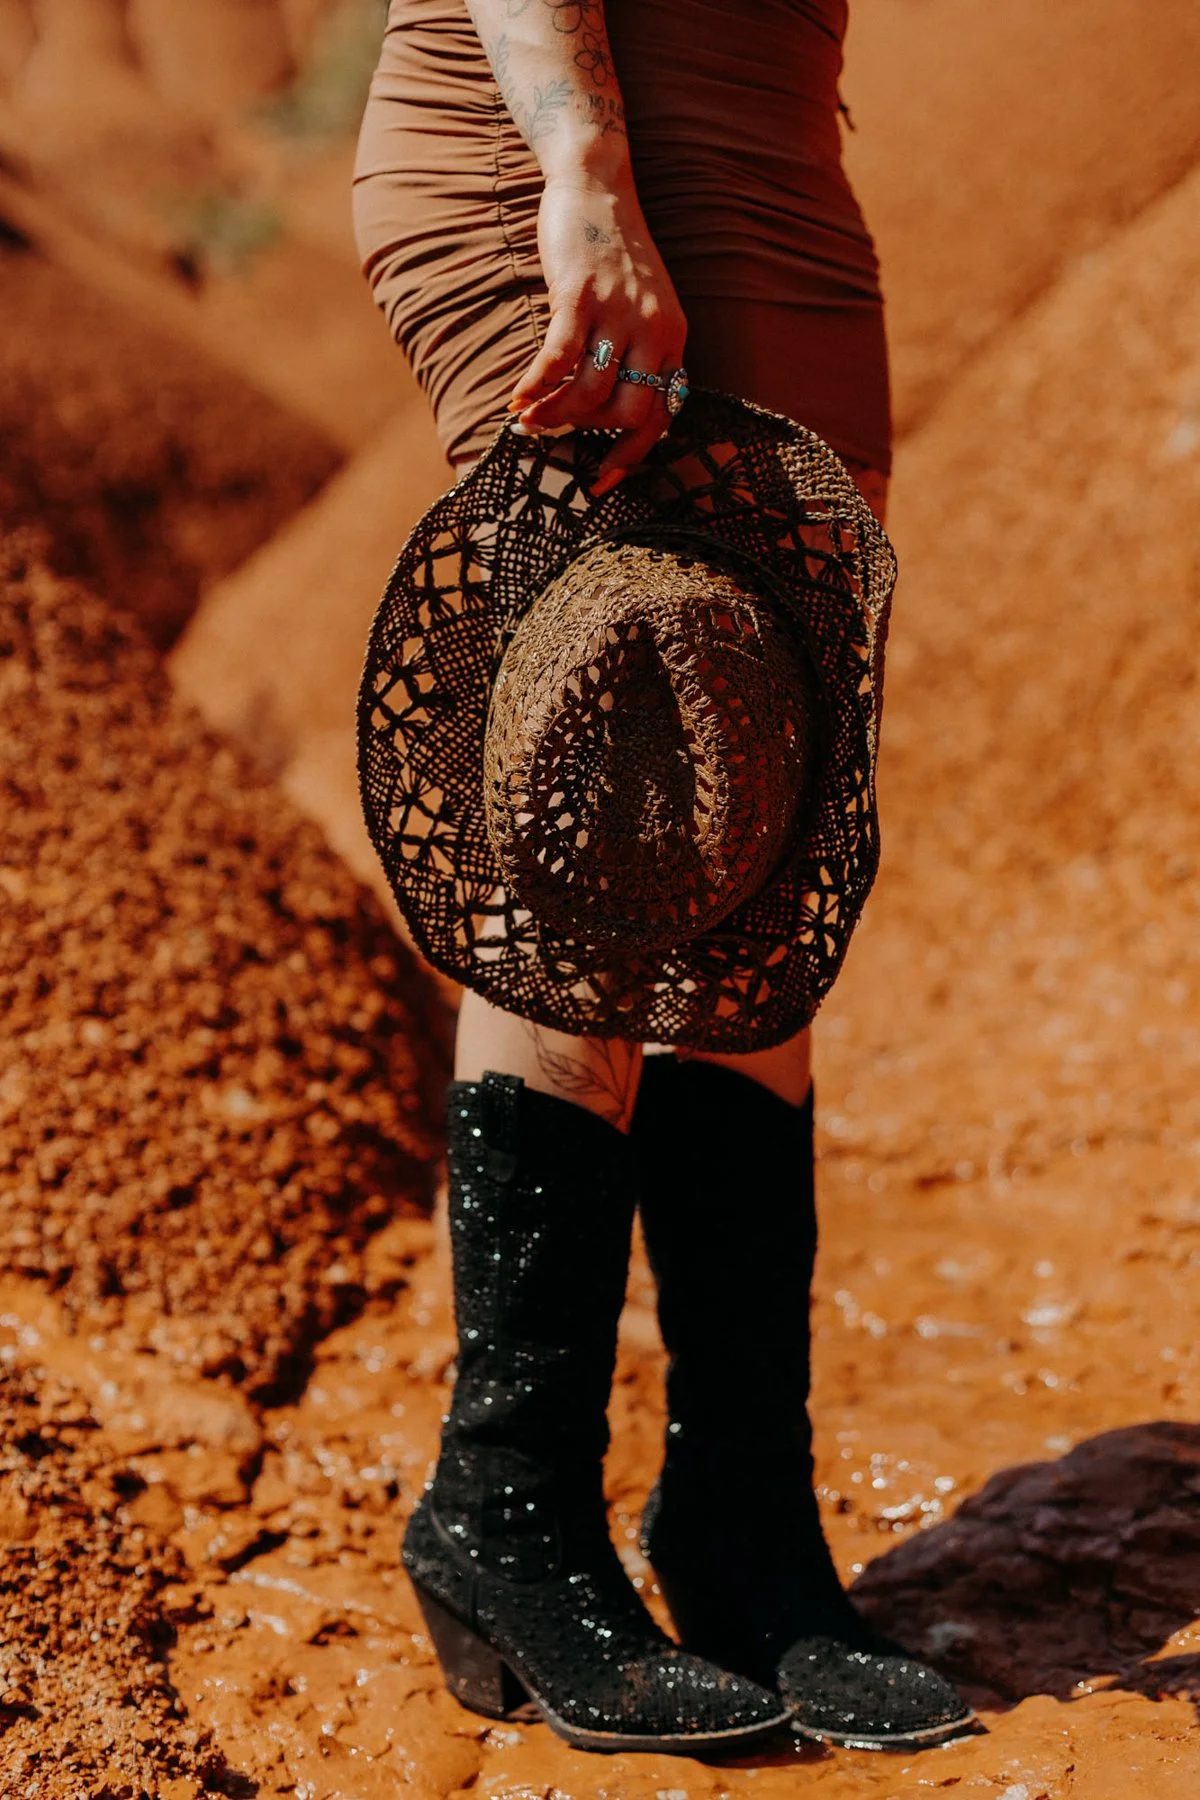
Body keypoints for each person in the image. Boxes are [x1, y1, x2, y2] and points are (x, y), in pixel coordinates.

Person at [352, 0, 973, 1755]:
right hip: (558, 155)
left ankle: (743, 1523)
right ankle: (507, 1505)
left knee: (761, 823)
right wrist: (587, 170)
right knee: (609, 813)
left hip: (775, 162)